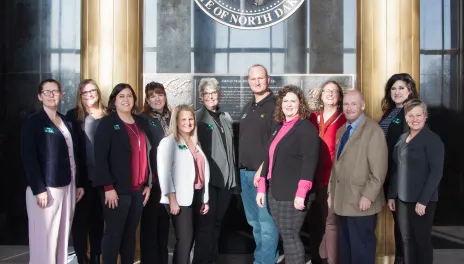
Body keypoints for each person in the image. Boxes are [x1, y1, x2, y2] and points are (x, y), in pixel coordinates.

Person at [21, 79, 85, 264]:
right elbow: (29, 158)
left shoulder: (65, 120)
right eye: (47, 92)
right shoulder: (33, 122)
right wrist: (38, 188)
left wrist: (78, 183)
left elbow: (74, 153)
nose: (51, 95)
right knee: (45, 239)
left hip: (68, 186)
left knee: (62, 236)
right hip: (46, 188)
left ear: (60, 94)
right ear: (40, 96)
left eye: (55, 91)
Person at [256, 85, 319, 264]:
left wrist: (301, 193)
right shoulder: (279, 127)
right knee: (286, 235)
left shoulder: (306, 129)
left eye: (293, 101)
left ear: (301, 104)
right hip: (276, 192)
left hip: (293, 195)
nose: (289, 104)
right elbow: (268, 158)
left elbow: (309, 162)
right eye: (285, 101)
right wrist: (261, 187)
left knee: (290, 236)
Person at [93, 83, 152, 264]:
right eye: (121, 96)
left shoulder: (141, 122)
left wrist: (149, 183)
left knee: (130, 234)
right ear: (114, 101)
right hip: (117, 190)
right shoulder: (107, 123)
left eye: (129, 96)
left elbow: (150, 153)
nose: (126, 100)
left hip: (138, 190)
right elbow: (100, 157)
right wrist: (108, 187)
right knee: (113, 234)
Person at [328, 90, 388, 264]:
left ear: (363, 106)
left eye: (354, 104)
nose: (349, 107)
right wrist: (331, 192)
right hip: (343, 200)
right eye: (346, 104)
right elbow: (336, 166)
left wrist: (368, 195)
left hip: (361, 202)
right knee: (346, 250)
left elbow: (379, 169)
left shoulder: (373, 131)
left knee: (361, 250)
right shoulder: (341, 131)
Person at [388, 99, 444, 264]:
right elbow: (396, 169)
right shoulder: (402, 138)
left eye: (418, 115)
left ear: (425, 116)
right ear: (406, 118)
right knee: (406, 240)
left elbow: (436, 173)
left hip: (422, 201)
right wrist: (392, 195)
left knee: (422, 242)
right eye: (410, 115)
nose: (415, 119)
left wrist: (423, 201)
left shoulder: (433, 140)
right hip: (402, 200)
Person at [157, 104, 210, 264]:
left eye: (190, 119)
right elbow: (164, 173)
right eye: (183, 119)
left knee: (190, 239)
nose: (188, 122)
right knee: (184, 241)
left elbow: (201, 173)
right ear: (176, 122)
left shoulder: (196, 143)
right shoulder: (168, 142)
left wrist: (204, 199)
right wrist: (172, 199)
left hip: (196, 196)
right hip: (179, 199)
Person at [239, 64, 279, 264]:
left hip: (262, 176)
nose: (257, 82)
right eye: (253, 79)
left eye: (260, 78)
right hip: (245, 175)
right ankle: (261, 259)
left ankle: (266, 261)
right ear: (248, 81)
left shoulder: (275, 106)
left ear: (268, 79)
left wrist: (262, 171)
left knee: (267, 223)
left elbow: (276, 143)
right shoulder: (247, 107)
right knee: (254, 223)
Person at [194, 77, 237, 263]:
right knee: (206, 227)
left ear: (219, 94)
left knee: (217, 224)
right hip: (208, 182)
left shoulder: (225, 117)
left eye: (214, 93)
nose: (211, 96)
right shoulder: (196, 118)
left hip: (226, 182)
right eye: (207, 93)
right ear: (201, 96)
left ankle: (212, 260)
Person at [379, 73, 419, 264]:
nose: (397, 92)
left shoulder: (412, 113)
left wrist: (394, 189)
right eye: (393, 88)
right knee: (400, 224)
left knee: (406, 227)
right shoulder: (390, 113)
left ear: (409, 90)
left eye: (401, 88)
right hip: (389, 175)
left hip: (404, 179)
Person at [66, 79, 106, 264]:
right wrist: (77, 181)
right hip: (83, 181)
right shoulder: (73, 116)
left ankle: (96, 257)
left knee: (98, 222)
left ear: (98, 92)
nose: (89, 95)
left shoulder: (109, 114)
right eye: (85, 92)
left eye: (92, 91)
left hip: (104, 180)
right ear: (79, 96)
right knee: (80, 223)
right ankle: (82, 258)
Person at [308, 81, 346, 264]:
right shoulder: (312, 117)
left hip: (333, 181)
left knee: (331, 223)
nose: (330, 94)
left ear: (339, 96)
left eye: (334, 91)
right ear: (321, 95)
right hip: (311, 180)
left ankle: (331, 260)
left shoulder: (345, 119)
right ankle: (317, 259)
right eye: (326, 91)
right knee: (315, 224)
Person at [139, 82, 171, 264]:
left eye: (160, 94)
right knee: (150, 227)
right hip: (152, 182)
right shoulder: (142, 119)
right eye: (152, 96)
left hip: (170, 182)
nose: (157, 99)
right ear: (147, 100)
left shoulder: (172, 116)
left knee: (164, 227)